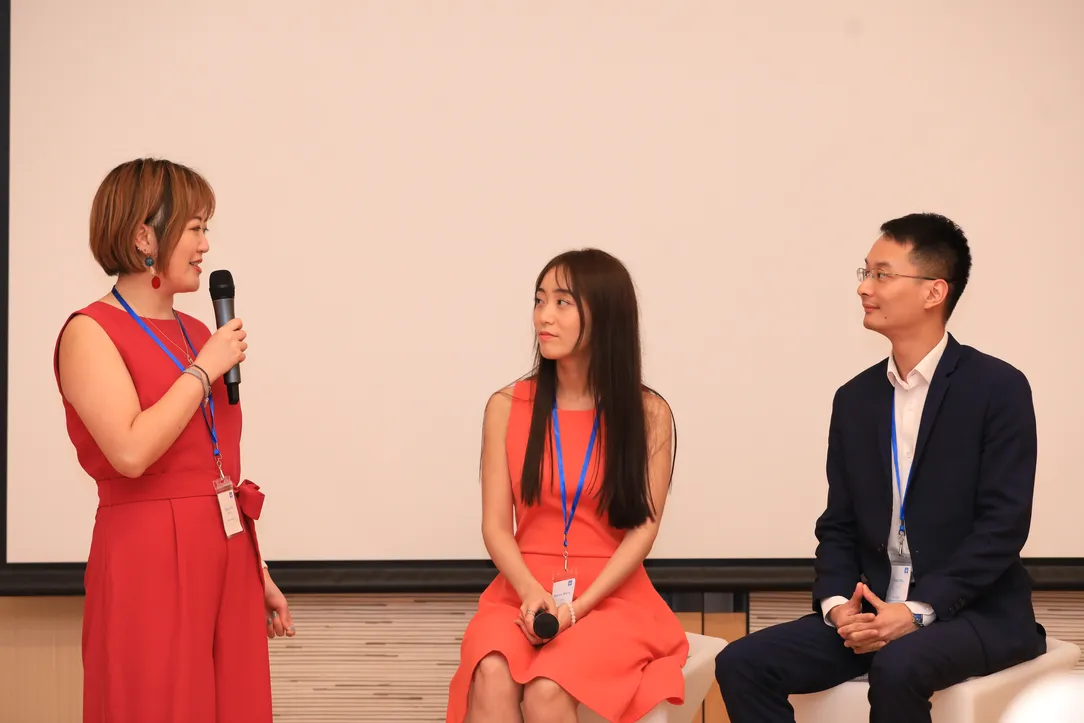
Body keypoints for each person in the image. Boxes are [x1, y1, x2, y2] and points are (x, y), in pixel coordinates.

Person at [714, 212, 1046, 723]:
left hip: (975, 612)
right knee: (743, 662)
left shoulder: (997, 389)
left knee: (898, 665)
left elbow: (1002, 528)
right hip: (871, 610)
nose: (865, 288)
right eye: (864, 273)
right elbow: (839, 524)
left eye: (882, 274)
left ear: (935, 292)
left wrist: (916, 610)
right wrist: (836, 605)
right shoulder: (856, 399)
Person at [53, 158, 296, 723]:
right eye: (195, 228)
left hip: (227, 555)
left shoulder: (196, 332)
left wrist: (255, 571)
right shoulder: (90, 331)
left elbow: (214, 462)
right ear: (144, 235)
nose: (206, 245)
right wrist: (203, 371)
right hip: (147, 557)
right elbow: (132, 452)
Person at [445, 249, 689, 723]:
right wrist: (530, 590)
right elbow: (495, 526)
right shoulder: (506, 405)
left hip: (612, 596)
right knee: (491, 669)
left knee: (547, 688)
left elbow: (642, 532)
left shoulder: (649, 414)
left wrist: (576, 609)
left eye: (562, 303)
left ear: (605, 315)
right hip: (521, 588)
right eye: (539, 301)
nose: (544, 317)